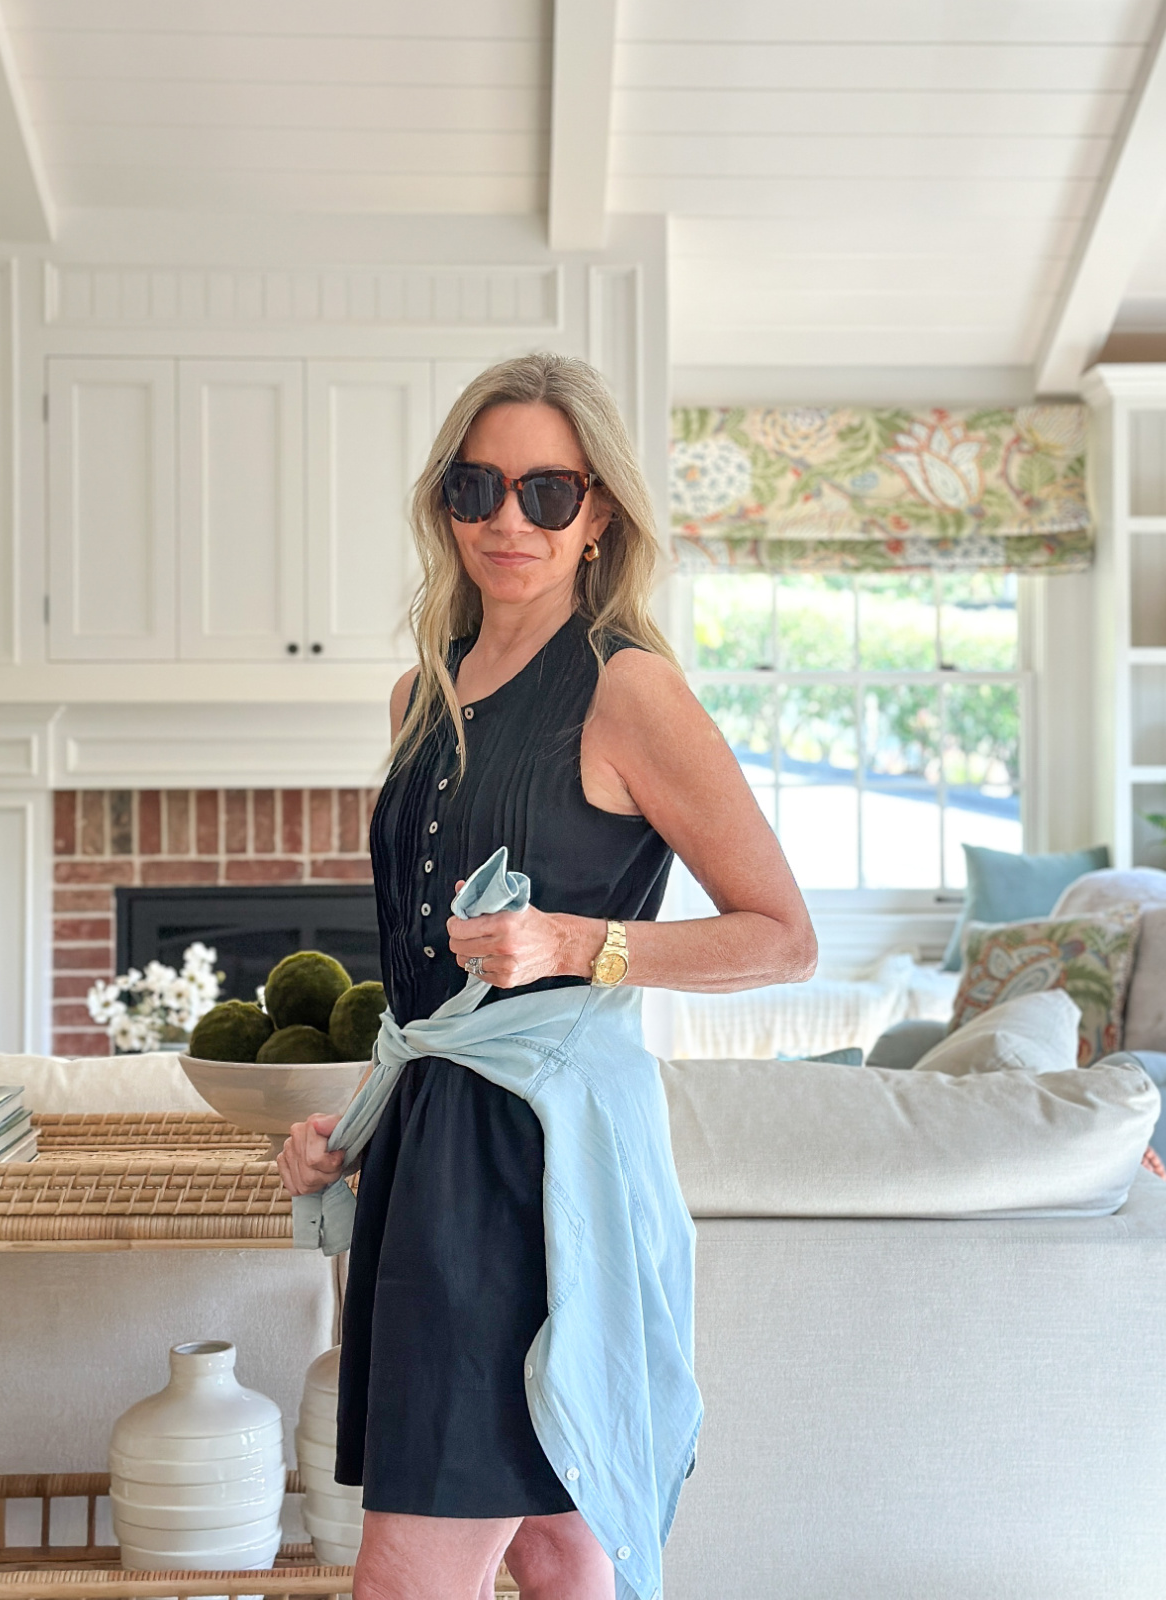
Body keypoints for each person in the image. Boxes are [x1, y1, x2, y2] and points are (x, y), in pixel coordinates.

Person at [277, 352, 817, 1600]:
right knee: (557, 1542)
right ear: (445, 507)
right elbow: (428, 990)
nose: (507, 520)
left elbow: (781, 933)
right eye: (476, 488)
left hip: (536, 1172)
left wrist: (579, 942)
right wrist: (354, 1130)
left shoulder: (629, 690)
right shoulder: (420, 695)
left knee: (411, 1574)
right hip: (429, 1147)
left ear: (600, 515)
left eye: (545, 492)